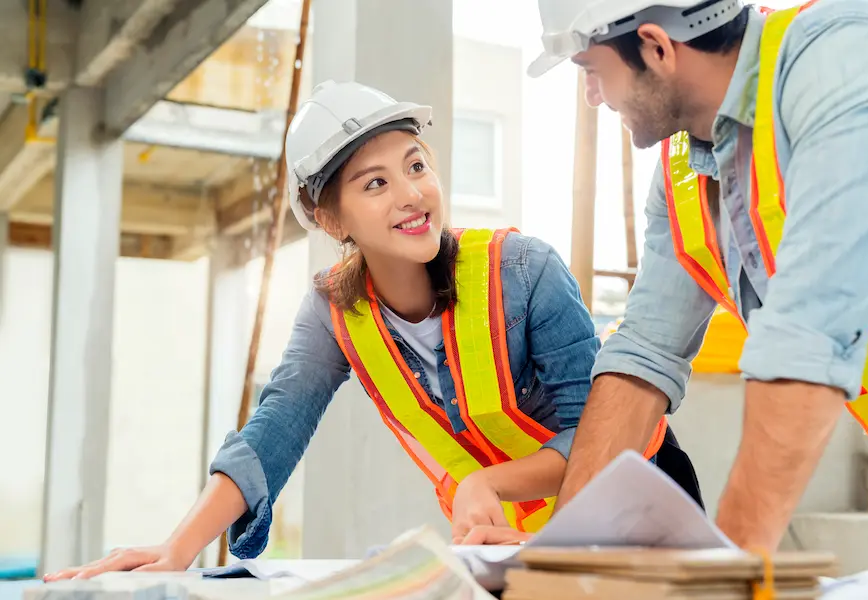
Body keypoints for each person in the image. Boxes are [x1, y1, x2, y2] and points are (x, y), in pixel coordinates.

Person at [44, 80, 704, 580]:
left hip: (642, 503)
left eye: (416, 166)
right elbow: (273, 431)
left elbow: (597, 434)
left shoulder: (523, 271)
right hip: (514, 542)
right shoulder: (336, 312)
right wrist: (176, 549)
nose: (411, 196)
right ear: (330, 219)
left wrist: (489, 484)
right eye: (375, 183)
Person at [461, 0, 868, 550]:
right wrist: (558, 558)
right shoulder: (683, 167)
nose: (593, 97)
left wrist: (732, 577)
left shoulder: (844, 58)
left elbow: (811, 330)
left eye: (592, 72)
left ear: (658, 47)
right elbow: (643, 355)